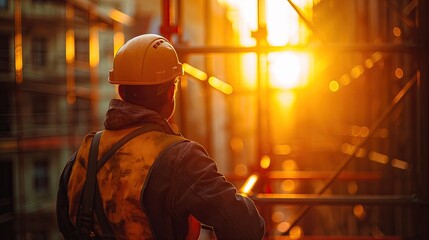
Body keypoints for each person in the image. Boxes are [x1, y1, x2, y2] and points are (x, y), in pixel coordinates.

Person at [56, 33, 265, 240]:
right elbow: (246, 226)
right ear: (169, 92)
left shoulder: (82, 156)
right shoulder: (180, 158)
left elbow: (67, 225)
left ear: (120, 91)